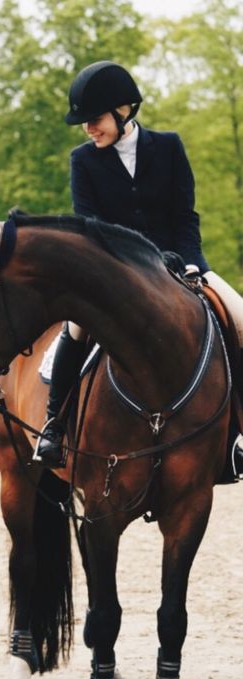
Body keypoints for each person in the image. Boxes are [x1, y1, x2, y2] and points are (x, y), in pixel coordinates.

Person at [36, 60, 243, 468]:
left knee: (240, 319)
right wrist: (136, 263)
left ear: (123, 110)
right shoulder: (83, 161)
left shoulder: (168, 147)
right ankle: (53, 426)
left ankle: (237, 432)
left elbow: (186, 217)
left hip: (182, 266)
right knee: (74, 331)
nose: (87, 129)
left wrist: (189, 264)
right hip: (116, 274)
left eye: (93, 119)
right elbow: (93, 229)